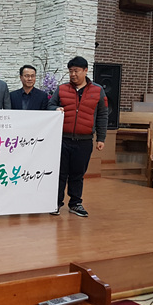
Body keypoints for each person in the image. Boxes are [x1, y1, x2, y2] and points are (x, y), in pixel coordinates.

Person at [48, 56, 108, 218]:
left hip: (84, 141)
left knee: (77, 174)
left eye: (76, 71)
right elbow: (50, 105)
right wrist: (55, 109)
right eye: (70, 71)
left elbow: (102, 115)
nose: (73, 74)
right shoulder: (62, 89)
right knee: (60, 173)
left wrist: (101, 138)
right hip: (62, 139)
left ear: (85, 71)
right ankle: (55, 202)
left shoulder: (97, 90)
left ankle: (75, 203)